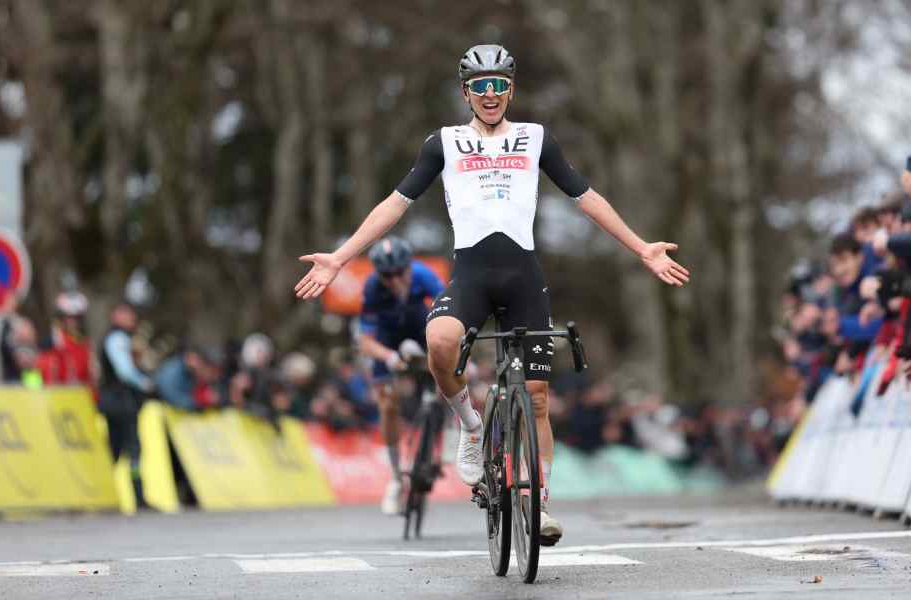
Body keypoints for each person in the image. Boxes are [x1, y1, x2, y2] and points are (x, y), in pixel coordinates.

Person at [295, 44, 689, 545]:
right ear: (465, 92)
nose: (489, 94)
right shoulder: (444, 142)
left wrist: (642, 250)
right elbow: (394, 205)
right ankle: (471, 424)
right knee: (439, 342)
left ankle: (539, 504)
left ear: (511, 89)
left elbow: (586, 198)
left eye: (498, 84)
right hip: (471, 277)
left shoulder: (535, 138)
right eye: (479, 86)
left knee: (540, 399)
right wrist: (341, 256)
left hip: (523, 276)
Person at [357, 236, 444, 514]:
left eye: (399, 273)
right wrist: (388, 357)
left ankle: (440, 443)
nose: (394, 280)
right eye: (387, 275)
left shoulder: (424, 275)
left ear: (409, 266)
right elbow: (365, 341)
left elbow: (450, 314)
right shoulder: (372, 288)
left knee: (447, 379)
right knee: (387, 403)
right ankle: (396, 477)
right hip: (388, 343)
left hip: (421, 331)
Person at [98, 302, 155, 510]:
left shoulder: (119, 338)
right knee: (133, 449)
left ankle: (101, 494)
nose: (132, 320)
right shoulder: (117, 339)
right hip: (121, 401)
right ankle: (138, 497)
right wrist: (144, 383)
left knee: (115, 449)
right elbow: (124, 371)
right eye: (128, 315)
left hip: (114, 401)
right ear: (116, 315)